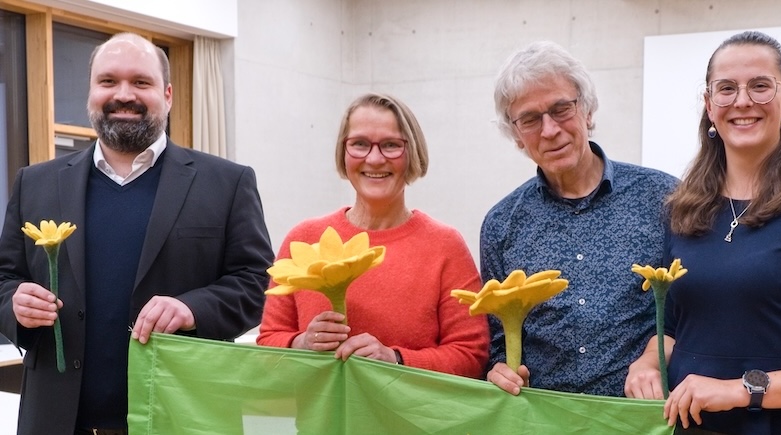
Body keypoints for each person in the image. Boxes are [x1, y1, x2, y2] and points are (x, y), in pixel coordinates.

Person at [0, 33, 273, 435]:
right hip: (56, 421)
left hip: (181, 418)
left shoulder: (227, 183)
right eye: (108, 81)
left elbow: (255, 283)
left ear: (167, 94)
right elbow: (4, 279)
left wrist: (193, 308)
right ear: (90, 93)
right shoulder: (35, 183)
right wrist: (15, 306)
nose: (123, 94)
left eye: (140, 82)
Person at [624, 30, 781, 434]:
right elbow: (674, 329)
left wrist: (742, 389)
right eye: (726, 89)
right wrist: (648, 362)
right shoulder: (683, 210)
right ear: (709, 104)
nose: (742, 101)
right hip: (694, 427)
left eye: (760, 86)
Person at [481, 41, 679, 396]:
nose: (550, 130)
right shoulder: (501, 225)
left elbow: (691, 312)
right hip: (545, 422)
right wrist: (498, 371)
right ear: (516, 137)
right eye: (529, 119)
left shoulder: (664, 198)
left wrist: (653, 358)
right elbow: (498, 341)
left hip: (643, 418)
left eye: (561, 109)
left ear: (587, 111)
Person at [257, 92, 489, 378]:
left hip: (410, 421)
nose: (375, 158)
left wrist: (395, 359)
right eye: (360, 144)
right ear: (344, 152)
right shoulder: (303, 240)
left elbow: (472, 356)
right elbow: (267, 345)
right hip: (317, 419)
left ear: (412, 152)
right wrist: (300, 343)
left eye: (391, 145)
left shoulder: (445, 246)